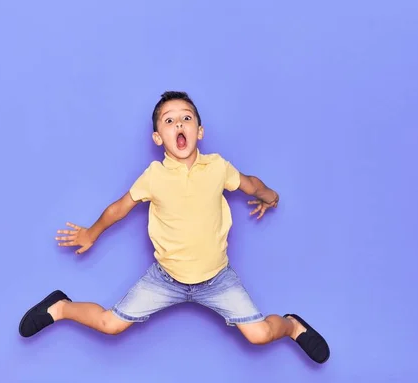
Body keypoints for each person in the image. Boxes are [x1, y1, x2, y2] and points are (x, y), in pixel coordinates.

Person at [18, 91, 330, 364]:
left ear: (200, 130)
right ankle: (60, 308)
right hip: (165, 279)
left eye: (186, 118)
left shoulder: (217, 167)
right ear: (158, 138)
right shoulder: (154, 175)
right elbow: (120, 208)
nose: (179, 125)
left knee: (260, 334)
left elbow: (250, 184)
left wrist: (270, 196)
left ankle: (292, 325)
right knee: (108, 324)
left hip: (218, 280)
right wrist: (91, 232)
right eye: (169, 121)